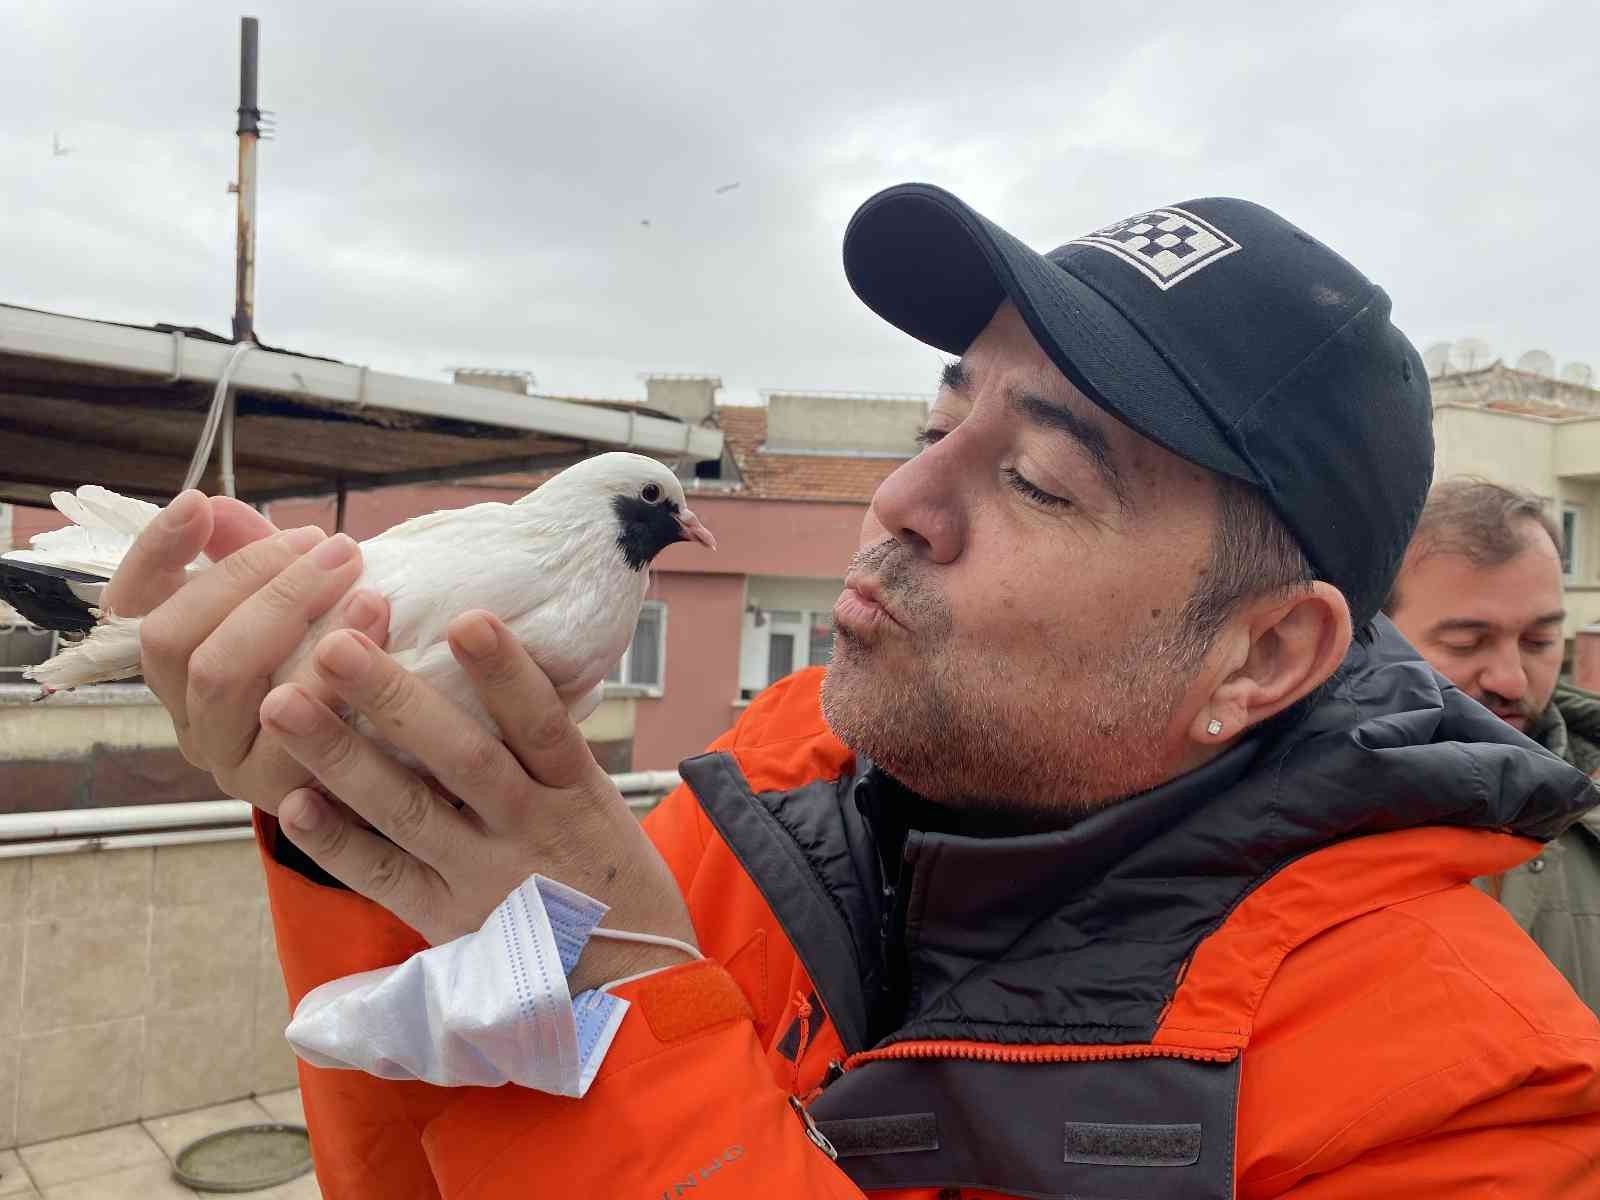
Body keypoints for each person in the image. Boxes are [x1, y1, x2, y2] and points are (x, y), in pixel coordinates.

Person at [106, 186, 1600, 1199]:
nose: (899, 500)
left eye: (1033, 477)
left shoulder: (1476, 1108)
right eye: (934, 420)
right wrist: (352, 819)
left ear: (1263, 653)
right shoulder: (762, 802)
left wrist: (614, 1019)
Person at [1386, 477, 1600, 1015]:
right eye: (1467, 642)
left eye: (1539, 642)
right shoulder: (1291, 819)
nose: (1511, 679)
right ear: (1372, 636)